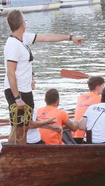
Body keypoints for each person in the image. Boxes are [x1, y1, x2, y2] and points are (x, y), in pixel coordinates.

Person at [3, 9, 84, 144]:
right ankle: (15, 158)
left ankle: (14, 158)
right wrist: (17, 98)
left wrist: (70, 38)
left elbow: (47, 37)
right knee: (19, 130)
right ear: (23, 24)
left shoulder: (23, 39)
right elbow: (10, 72)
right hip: (18, 92)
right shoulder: (13, 44)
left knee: (21, 128)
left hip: (25, 91)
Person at [27, 73, 62, 144]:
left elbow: (33, 120)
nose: (35, 82)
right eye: (32, 79)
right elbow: (28, 124)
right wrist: (47, 121)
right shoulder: (24, 100)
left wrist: (51, 127)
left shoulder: (29, 99)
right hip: (30, 142)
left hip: (35, 139)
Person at [72, 76, 105, 143]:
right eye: (103, 85)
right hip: (86, 137)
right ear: (97, 87)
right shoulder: (100, 99)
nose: (104, 87)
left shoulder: (81, 97)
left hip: (74, 135)